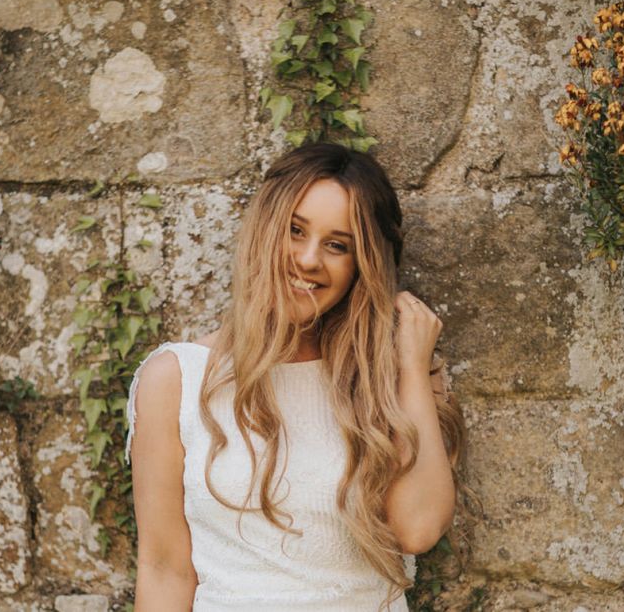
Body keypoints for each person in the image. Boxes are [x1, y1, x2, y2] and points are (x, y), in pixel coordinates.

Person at [126, 142, 465, 611]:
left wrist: (410, 366)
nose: (308, 260)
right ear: (264, 232)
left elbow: (419, 528)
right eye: (295, 231)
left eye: (337, 245)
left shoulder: (388, 379)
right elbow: (164, 570)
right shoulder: (176, 380)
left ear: (361, 265)